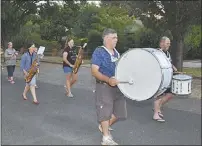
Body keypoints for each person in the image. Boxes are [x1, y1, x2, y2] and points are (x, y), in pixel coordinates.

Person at [91, 28, 127, 145]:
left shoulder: (116, 52)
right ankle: (106, 138)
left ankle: (104, 126)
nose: (116, 40)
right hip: (104, 86)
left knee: (120, 113)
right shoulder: (99, 51)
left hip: (117, 87)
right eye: (114, 37)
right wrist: (108, 80)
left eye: (116, 37)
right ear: (106, 38)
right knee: (105, 112)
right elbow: (94, 71)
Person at [153, 36, 178, 122]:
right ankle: (156, 114)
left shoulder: (167, 53)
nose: (169, 45)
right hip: (159, 78)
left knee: (170, 94)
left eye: (169, 43)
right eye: (167, 43)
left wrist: (174, 67)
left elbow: (169, 63)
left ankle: (158, 108)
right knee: (159, 95)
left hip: (166, 78)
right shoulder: (157, 53)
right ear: (161, 43)